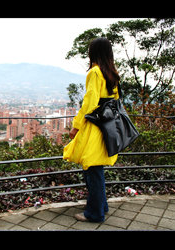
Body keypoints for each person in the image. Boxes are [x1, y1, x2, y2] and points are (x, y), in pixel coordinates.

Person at [62, 37, 121, 223]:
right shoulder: (112, 73)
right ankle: (101, 206)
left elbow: (90, 101)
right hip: (107, 126)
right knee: (96, 168)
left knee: (91, 169)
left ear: (93, 53)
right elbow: (115, 101)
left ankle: (95, 213)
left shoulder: (95, 72)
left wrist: (76, 126)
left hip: (94, 126)